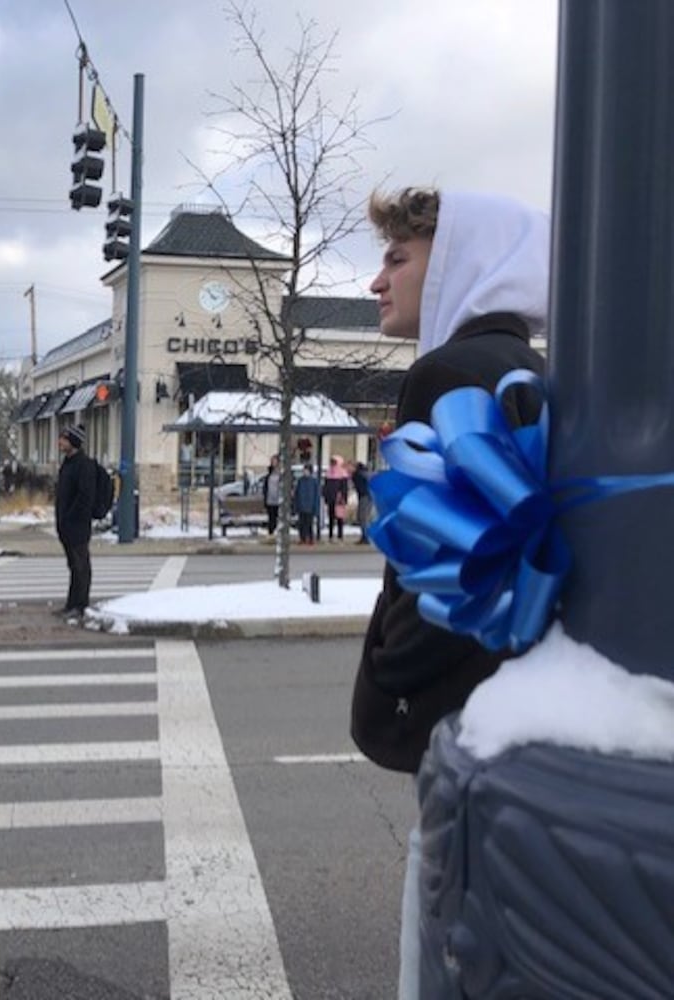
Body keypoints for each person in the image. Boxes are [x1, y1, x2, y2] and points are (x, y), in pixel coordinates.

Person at [350, 187, 548, 1000]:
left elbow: (444, 568)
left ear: (460, 263)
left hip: (448, 715)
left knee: (437, 942)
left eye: (397, 258)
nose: (375, 281)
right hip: (505, 704)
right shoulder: (525, 367)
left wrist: (392, 676)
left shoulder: (449, 374)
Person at [54, 424, 95, 622]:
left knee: (81, 566)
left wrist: (71, 517)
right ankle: (72, 603)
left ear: (73, 442)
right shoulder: (67, 464)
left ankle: (81, 604)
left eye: (64, 438)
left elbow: (84, 497)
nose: (60, 442)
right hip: (66, 525)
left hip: (77, 525)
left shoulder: (83, 465)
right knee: (73, 565)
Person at [321, 455, 350, 541]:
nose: (332, 464)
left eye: (334, 462)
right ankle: (331, 535)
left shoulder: (343, 473)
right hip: (331, 498)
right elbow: (325, 486)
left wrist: (344, 498)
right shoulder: (328, 472)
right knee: (331, 517)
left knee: (339, 517)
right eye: (332, 462)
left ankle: (340, 535)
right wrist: (325, 496)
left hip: (339, 499)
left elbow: (344, 487)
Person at [293, 463, 318, 545]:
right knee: (301, 524)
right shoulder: (300, 481)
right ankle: (302, 538)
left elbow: (316, 495)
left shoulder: (314, 481)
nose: (305, 472)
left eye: (306, 470)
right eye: (304, 470)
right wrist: (296, 505)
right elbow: (297, 493)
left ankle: (310, 538)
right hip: (301, 506)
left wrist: (315, 507)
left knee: (309, 523)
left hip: (310, 506)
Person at [350, 460, 372, 544]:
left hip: (364, 497)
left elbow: (360, 487)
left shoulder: (357, 475)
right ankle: (365, 536)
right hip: (368, 497)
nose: (349, 469)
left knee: (362, 517)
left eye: (351, 467)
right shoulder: (364, 473)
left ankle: (365, 537)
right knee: (364, 517)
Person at [261, 455, 282, 535]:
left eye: (275, 461)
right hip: (270, 500)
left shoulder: (281, 474)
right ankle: (271, 532)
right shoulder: (269, 474)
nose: (273, 463)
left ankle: (277, 532)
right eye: (272, 461)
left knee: (278, 518)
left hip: (278, 500)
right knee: (271, 518)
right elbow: (265, 487)